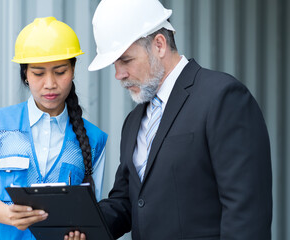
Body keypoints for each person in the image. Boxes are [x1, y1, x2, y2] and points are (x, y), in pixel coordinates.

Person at [65, 0, 272, 239]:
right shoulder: (133, 122)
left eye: (126, 60)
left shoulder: (222, 98)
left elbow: (245, 213)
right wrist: (78, 223)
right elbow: (126, 203)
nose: (118, 74)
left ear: (159, 45)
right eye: (114, 64)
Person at [0, 16, 107, 240]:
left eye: (60, 72)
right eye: (38, 73)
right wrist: (8, 214)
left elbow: (88, 211)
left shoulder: (93, 139)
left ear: (73, 70)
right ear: (25, 74)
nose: (50, 83)